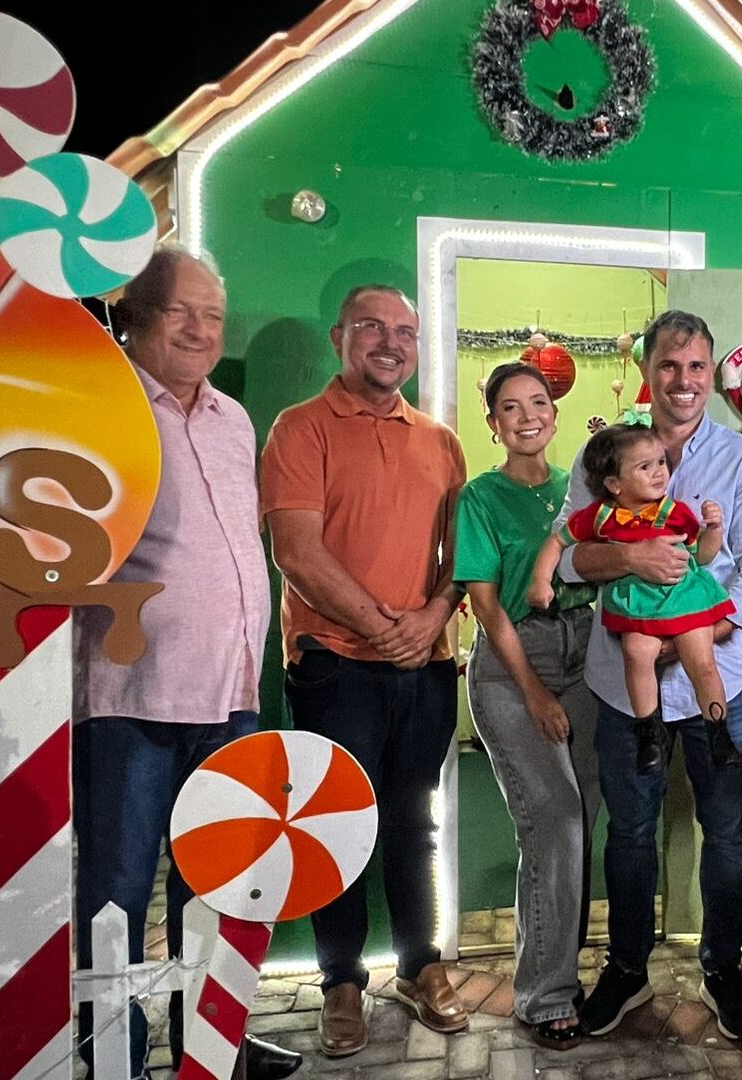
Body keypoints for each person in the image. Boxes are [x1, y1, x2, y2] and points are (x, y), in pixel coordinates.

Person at [72, 247, 299, 1079]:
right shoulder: (101, 405)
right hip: (133, 694)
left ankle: (214, 1049)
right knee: (118, 893)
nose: (202, 330)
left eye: (214, 314)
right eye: (181, 312)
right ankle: (117, 1062)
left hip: (230, 691)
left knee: (219, 888)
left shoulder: (234, 419)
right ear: (133, 316)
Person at [555, 310, 742, 1042]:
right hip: (624, 685)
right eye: (669, 366)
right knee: (629, 831)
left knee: (727, 831)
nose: (683, 381)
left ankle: (722, 968)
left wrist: (697, 632)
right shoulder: (602, 455)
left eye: (696, 368)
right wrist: (631, 558)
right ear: (648, 372)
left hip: (721, 675)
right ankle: (626, 969)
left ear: (711, 375)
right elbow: (569, 560)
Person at [260, 285, 469, 1055]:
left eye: (405, 331)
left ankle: (420, 967)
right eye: (373, 327)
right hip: (335, 667)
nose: (390, 343)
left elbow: (463, 554)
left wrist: (434, 616)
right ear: (339, 337)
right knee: (338, 827)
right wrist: (386, 629)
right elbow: (297, 551)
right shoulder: (300, 428)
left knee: (415, 822)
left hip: (427, 665)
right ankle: (341, 981)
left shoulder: (441, 440)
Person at [454, 362, 599, 1050]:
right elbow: (487, 608)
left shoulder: (580, 489)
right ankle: (546, 995)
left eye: (537, 402)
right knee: (555, 820)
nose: (527, 416)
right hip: (515, 665)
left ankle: (561, 971)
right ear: (493, 425)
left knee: (580, 823)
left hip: (589, 652)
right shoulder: (479, 497)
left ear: (555, 413)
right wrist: (536, 694)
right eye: (510, 408)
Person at [528, 421, 735, 764]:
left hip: (684, 597)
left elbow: (701, 555)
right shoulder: (600, 517)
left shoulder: (675, 512)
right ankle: (648, 732)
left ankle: (719, 732)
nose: (659, 472)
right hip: (638, 602)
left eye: (661, 462)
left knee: (702, 662)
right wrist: (540, 580)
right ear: (614, 484)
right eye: (644, 467)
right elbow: (558, 542)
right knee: (637, 653)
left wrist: (714, 529)